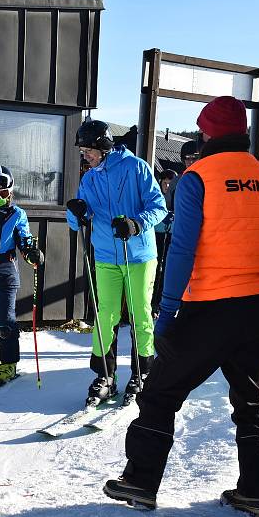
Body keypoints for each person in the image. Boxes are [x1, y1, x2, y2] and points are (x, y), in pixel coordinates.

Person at [103, 96, 259, 515]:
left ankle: (140, 482)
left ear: (206, 133)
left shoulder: (198, 175)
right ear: (244, 133)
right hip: (258, 305)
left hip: (209, 305)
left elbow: (182, 248)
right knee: (251, 400)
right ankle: (257, 490)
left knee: (161, 393)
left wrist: (166, 311)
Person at [66, 119, 167, 404]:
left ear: (105, 148)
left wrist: (136, 224)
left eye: (89, 151)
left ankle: (142, 372)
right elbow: (77, 221)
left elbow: (159, 206)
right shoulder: (89, 178)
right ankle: (104, 375)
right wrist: (76, 212)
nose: (85, 157)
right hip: (106, 255)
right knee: (104, 315)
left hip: (138, 255)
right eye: (83, 152)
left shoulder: (136, 168)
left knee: (139, 313)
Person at [0, 166, 44, 386]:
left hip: (5, 271)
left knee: (5, 318)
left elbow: (24, 240)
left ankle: (9, 361)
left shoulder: (16, 214)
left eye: (3, 194)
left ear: (11, 193)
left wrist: (31, 253)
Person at [151, 168, 177, 314]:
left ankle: (161, 300)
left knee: (167, 267)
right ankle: (153, 300)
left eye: (169, 183)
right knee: (156, 266)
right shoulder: (157, 195)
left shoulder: (177, 195)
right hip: (157, 233)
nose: (166, 186)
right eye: (164, 183)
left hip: (171, 234)